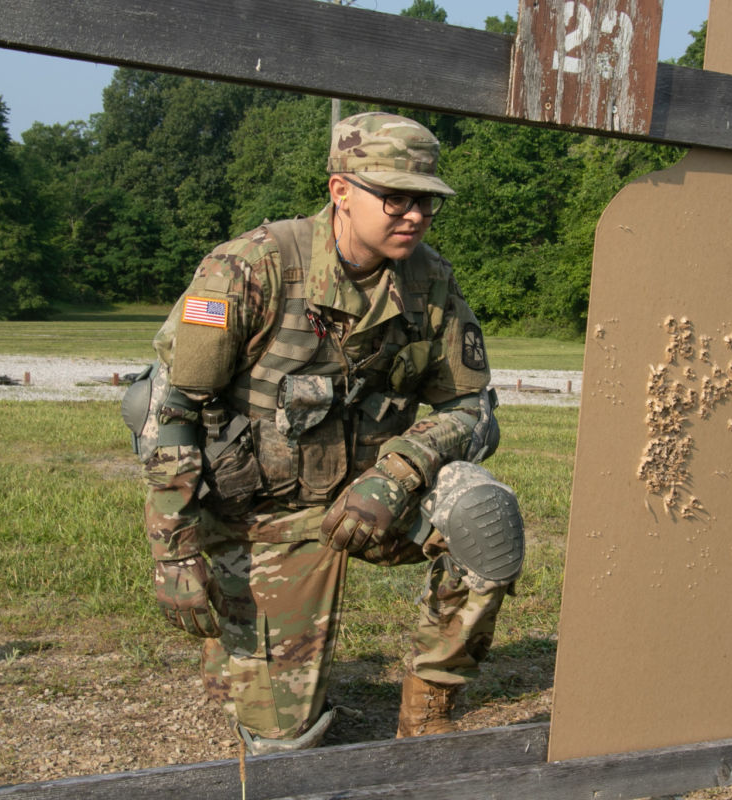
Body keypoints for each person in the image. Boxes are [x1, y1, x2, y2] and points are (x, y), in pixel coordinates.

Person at [124, 111, 524, 755]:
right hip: (259, 518)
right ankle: (234, 629)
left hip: (369, 502)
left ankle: (430, 700)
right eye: (394, 196)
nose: (415, 215)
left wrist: (399, 474)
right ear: (340, 190)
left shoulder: (431, 283)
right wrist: (173, 553)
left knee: (483, 515)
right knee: (285, 746)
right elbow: (168, 413)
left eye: (426, 201)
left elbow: (472, 409)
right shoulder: (251, 268)